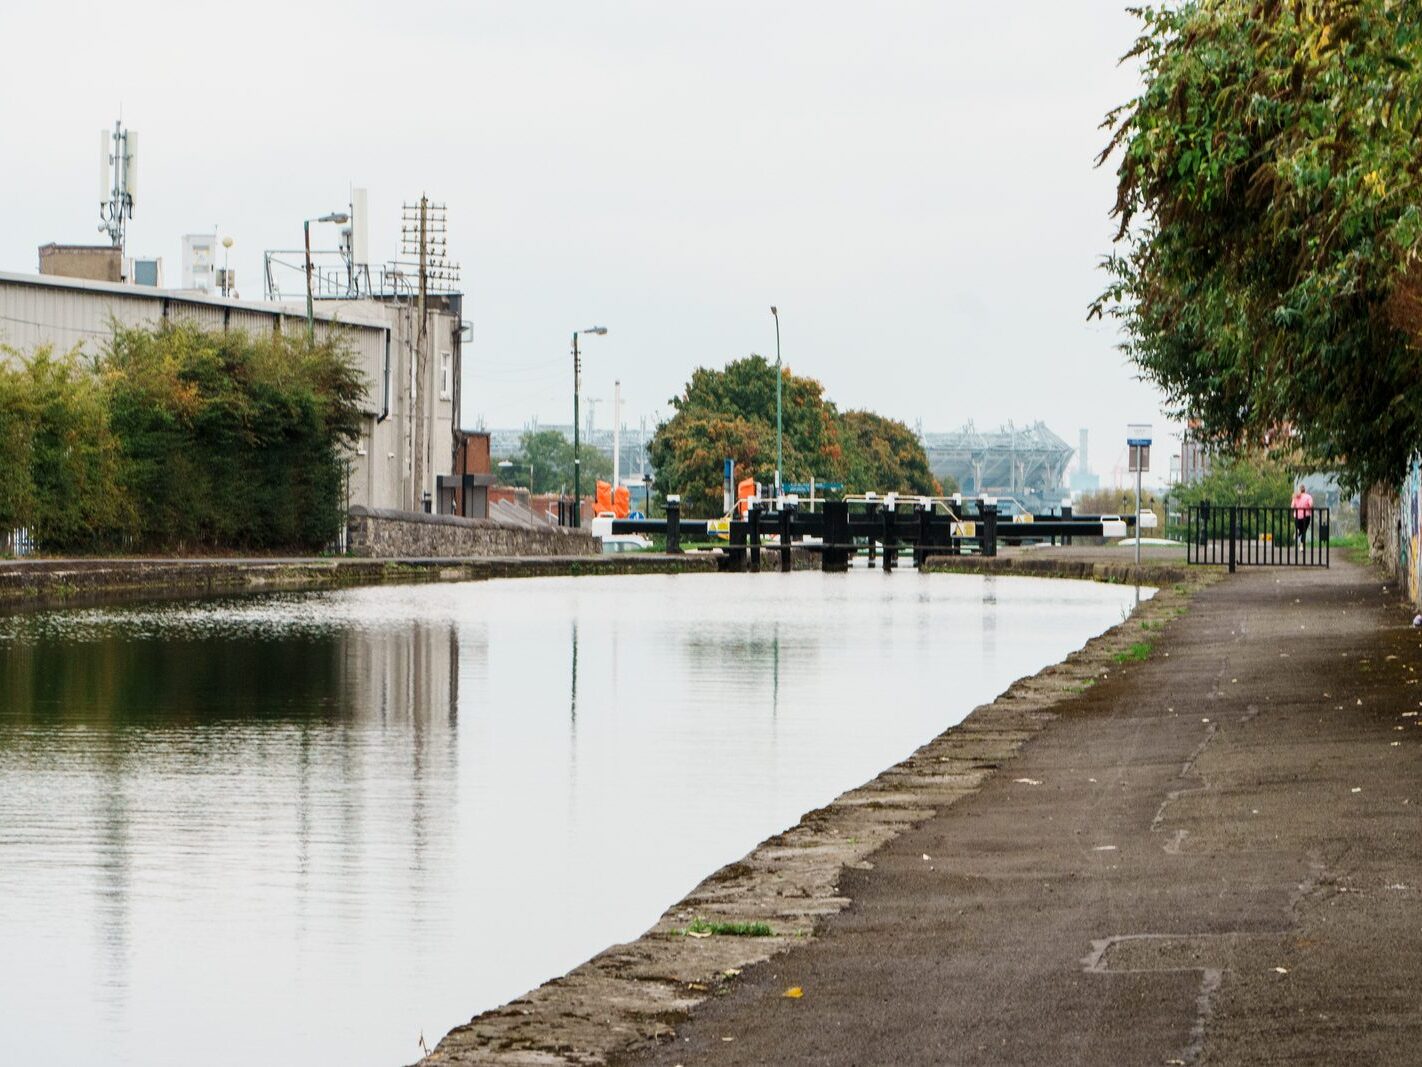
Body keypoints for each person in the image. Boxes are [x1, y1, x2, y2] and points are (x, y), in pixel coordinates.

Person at [1291, 483, 1314, 548]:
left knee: (1299, 529)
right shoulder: (1308, 496)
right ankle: (1301, 545)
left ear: (1299, 490)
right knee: (1304, 531)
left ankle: (1297, 531)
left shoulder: (1296, 497)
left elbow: (1292, 506)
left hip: (1297, 516)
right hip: (1306, 516)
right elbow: (1311, 505)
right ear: (1305, 489)